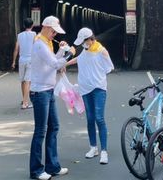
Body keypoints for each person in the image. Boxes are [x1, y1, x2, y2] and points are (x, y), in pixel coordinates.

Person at [29, 16, 75, 180]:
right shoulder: (40, 44)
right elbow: (55, 64)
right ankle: (36, 170)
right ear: (47, 28)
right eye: (54, 31)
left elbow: (54, 59)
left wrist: (62, 51)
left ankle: (52, 166)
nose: (55, 35)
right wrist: (69, 54)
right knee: (41, 131)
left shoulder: (46, 43)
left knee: (53, 126)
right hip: (40, 92)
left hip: (48, 90)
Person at [67, 27, 114, 165]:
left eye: (84, 41)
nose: (83, 44)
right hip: (85, 89)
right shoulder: (85, 51)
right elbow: (78, 59)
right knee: (90, 119)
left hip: (99, 89)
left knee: (99, 118)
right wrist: (65, 64)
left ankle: (104, 151)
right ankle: (93, 147)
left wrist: (98, 73)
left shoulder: (101, 50)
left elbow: (109, 67)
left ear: (90, 39)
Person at [12, 18, 37, 109]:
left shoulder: (19, 35)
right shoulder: (34, 34)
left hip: (21, 59)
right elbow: (36, 47)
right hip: (30, 60)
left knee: (22, 81)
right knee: (27, 81)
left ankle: (24, 99)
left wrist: (14, 61)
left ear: (24, 25)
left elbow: (16, 49)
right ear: (32, 25)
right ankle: (25, 103)